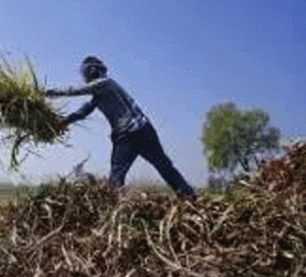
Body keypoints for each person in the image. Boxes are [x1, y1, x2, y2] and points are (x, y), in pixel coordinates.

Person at [45, 56, 196, 199]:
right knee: (163, 166)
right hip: (144, 130)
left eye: (85, 73)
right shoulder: (100, 93)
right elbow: (83, 111)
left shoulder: (105, 83)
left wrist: (46, 93)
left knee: (117, 177)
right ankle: (188, 194)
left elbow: (74, 91)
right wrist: (64, 121)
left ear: (92, 71)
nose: (84, 76)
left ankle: (116, 208)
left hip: (128, 136)